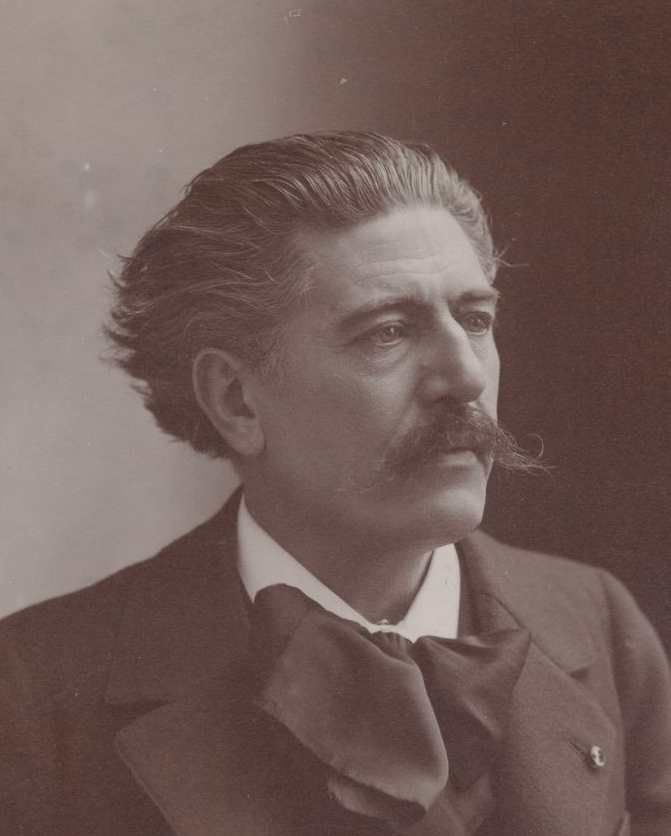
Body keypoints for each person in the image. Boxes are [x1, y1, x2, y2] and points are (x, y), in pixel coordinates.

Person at [2, 132, 670, 836]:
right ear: (235, 400)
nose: (466, 376)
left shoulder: (596, 621)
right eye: (388, 333)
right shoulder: (36, 693)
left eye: (475, 320)